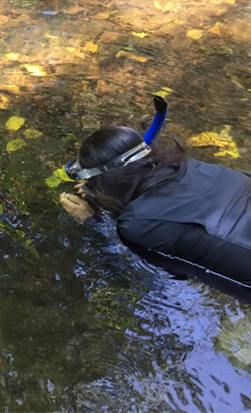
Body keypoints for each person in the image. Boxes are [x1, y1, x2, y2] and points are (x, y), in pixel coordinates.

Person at [60, 126, 250, 302]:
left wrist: (92, 219)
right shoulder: (188, 164)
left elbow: (141, 274)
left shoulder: (136, 224)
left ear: (107, 184)